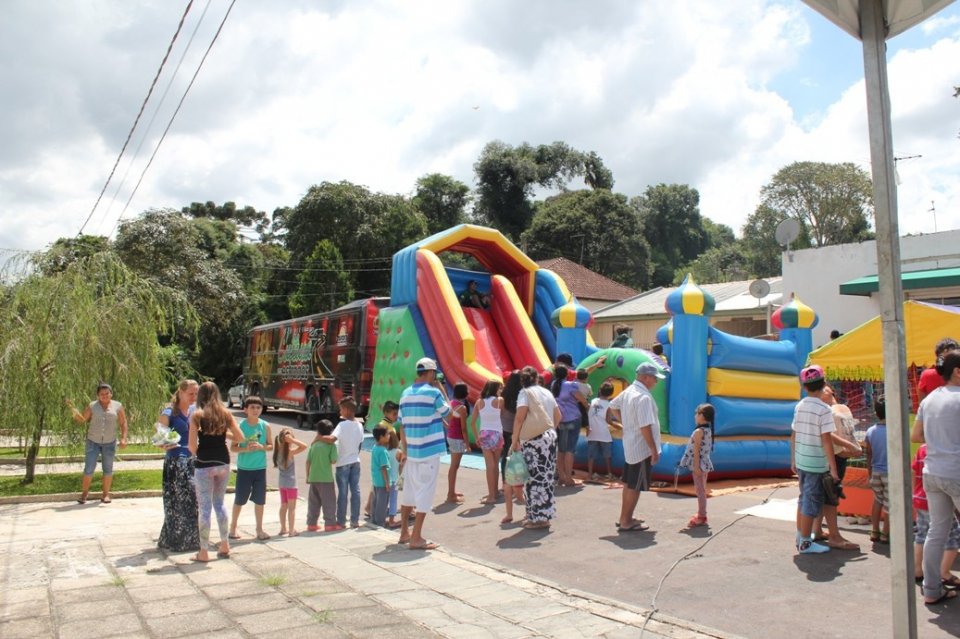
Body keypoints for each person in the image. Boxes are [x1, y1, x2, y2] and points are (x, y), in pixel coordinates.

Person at [910, 349, 960, 604]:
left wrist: (941, 440)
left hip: (933, 472)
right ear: (957, 371)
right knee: (939, 532)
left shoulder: (929, 400)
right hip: (956, 472)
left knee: (935, 532)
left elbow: (915, 436)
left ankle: (931, 590)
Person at [187, 381, 244, 562]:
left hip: (204, 464)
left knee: (204, 508)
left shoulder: (197, 415)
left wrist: (200, 455)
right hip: (223, 462)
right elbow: (240, 437)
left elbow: (191, 445)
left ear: (200, 396)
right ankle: (225, 544)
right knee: (219, 504)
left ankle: (203, 551)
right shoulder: (225, 414)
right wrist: (224, 435)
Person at [397, 357, 451, 550]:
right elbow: (449, 414)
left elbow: (401, 424)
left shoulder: (405, 393)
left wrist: (404, 450)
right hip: (428, 451)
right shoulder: (433, 392)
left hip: (411, 451)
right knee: (425, 494)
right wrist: (443, 390)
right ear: (431, 373)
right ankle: (417, 537)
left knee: (409, 494)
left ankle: (405, 532)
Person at [608, 362, 665, 532]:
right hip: (641, 448)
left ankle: (625, 517)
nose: (655, 382)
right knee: (635, 485)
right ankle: (626, 520)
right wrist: (654, 450)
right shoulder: (643, 397)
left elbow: (613, 406)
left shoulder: (630, 391)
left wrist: (626, 423)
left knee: (629, 483)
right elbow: (645, 426)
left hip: (631, 444)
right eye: (654, 378)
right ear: (646, 378)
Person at [789, 365, 840, 555]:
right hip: (816, 463)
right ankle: (805, 543)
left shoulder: (799, 406)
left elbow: (793, 435)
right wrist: (833, 469)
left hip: (802, 461)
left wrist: (793, 459)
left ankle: (800, 536)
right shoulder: (824, 409)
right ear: (824, 383)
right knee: (811, 502)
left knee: (803, 499)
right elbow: (826, 440)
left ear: (804, 386)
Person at [511, 365, 561, 530]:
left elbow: (519, 417)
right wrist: (549, 429)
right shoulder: (547, 392)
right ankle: (540, 515)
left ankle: (538, 519)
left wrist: (514, 440)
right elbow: (558, 415)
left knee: (533, 478)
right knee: (545, 477)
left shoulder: (525, 393)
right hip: (549, 438)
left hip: (534, 440)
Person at [811, 385, 861, 549]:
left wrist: (852, 447)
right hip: (831, 457)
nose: (822, 391)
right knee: (830, 496)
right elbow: (827, 434)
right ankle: (833, 535)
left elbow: (847, 431)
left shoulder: (841, 408)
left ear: (831, 390)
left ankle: (817, 530)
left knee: (827, 494)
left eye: (825, 388)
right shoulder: (825, 410)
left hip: (839, 455)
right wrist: (849, 446)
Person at [157, 379, 200, 552]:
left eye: (196, 394)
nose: (194, 397)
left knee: (192, 500)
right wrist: (164, 443)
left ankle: (188, 539)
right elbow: (159, 437)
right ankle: (177, 540)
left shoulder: (194, 411)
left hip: (191, 460)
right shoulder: (169, 412)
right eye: (191, 393)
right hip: (176, 462)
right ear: (181, 392)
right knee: (177, 502)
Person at [68, 382, 128, 504]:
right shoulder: (92, 406)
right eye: (102, 394)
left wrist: (123, 438)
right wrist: (72, 408)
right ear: (98, 395)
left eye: (107, 393)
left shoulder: (118, 406)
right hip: (93, 442)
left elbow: (123, 423)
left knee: (108, 469)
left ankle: (105, 495)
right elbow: (82, 419)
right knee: (89, 468)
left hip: (109, 442)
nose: (105, 396)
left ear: (111, 394)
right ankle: (84, 494)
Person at [911, 443, 960, 590]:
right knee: (953, 536)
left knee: (922, 535)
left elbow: (914, 471)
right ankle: (944, 572)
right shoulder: (948, 450)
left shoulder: (922, 449)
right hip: (941, 502)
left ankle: (917, 569)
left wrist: (915, 493)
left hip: (921, 498)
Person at [229, 396, 273, 541]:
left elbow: (270, 446)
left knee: (260, 500)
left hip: (260, 469)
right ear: (245, 409)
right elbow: (233, 448)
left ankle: (259, 529)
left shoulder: (265, 426)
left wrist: (262, 447)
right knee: (240, 499)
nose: (255, 410)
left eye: (258, 407)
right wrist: (246, 449)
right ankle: (233, 527)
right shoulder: (241, 426)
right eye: (252, 407)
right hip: (244, 469)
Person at [552, 364, 589, 487]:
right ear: (567, 374)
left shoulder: (554, 386)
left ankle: (561, 476)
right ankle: (569, 478)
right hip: (573, 418)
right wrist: (587, 406)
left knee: (561, 449)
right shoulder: (571, 385)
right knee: (570, 449)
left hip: (561, 419)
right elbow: (582, 399)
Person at [330, 396, 364, 529]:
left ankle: (341, 521)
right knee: (355, 490)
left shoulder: (341, 425)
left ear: (346, 409)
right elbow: (360, 445)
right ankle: (355, 520)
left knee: (343, 492)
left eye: (341, 409)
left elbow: (332, 439)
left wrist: (319, 438)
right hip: (355, 461)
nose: (340, 412)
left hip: (342, 462)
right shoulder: (360, 425)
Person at [679, 403, 715, 528]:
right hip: (704, 463)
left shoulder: (699, 431)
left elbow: (696, 450)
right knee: (702, 490)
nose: (695, 416)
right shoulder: (707, 430)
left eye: (697, 413)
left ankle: (701, 516)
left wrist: (696, 467)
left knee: (700, 491)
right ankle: (701, 513)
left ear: (702, 416)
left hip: (699, 465)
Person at [470, 379, 505, 505]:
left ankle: (491, 496)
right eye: (500, 388)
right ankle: (494, 492)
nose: (501, 390)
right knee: (495, 465)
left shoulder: (479, 402)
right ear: (496, 389)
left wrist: (476, 437)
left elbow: (472, 422)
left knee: (489, 466)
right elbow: (504, 415)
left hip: (485, 434)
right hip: (498, 434)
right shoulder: (500, 401)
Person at [862, 396, 889, 544]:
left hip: (876, 472)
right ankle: (886, 533)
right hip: (890, 473)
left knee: (877, 501)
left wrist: (869, 473)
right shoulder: (895, 430)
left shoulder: (871, 431)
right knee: (891, 504)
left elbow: (869, 453)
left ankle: (874, 531)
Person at [273, 428, 308, 537]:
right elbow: (304, 446)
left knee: (284, 506)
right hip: (291, 484)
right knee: (292, 508)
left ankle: (283, 528)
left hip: (282, 483)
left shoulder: (278, 452)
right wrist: (292, 440)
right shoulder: (290, 452)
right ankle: (292, 530)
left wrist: (287, 439)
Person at [306, 419, 339, 532]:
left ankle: (311, 523)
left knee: (313, 502)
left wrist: (307, 476)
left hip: (313, 477)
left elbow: (308, 461)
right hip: (326, 478)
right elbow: (333, 460)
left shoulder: (314, 445)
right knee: (328, 502)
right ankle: (330, 524)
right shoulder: (331, 446)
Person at [586, 382, 619, 481]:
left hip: (592, 432)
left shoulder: (593, 401)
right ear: (611, 394)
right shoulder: (608, 405)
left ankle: (590, 474)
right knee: (607, 455)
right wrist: (619, 426)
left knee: (591, 455)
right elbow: (609, 420)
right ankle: (609, 473)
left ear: (600, 391)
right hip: (603, 433)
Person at [378, 401, 403, 528]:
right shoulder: (383, 425)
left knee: (380, 491)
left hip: (389, 469)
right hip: (389, 468)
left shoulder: (390, 426)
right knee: (386, 494)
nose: (396, 416)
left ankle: (373, 510)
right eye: (394, 413)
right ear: (386, 412)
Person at [445, 383, 470, 504]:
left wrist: (448, 427)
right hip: (457, 438)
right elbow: (463, 429)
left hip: (451, 436)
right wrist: (468, 444)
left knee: (453, 467)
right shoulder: (462, 408)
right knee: (454, 467)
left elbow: (447, 420)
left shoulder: (451, 403)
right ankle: (450, 494)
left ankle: (452, 492)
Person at [499, 371, 522, 495]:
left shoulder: (504, 393)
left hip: (505, 428)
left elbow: (501, 412)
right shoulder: (522, 394)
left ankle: (505, 483)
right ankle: (517, 483)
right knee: (517, 457)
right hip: (517, 430)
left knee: (505, 457)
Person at [370, 426, 392, 527]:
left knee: (376, 500)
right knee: (382, 503)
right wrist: (387, 482)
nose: (389, 436)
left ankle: (374, 519)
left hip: (376, 480)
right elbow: (384, 468)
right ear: (381, 436)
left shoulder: (375, 447)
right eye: (387, 434)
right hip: (382, 481)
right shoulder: (383, 451)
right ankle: (380, 522)